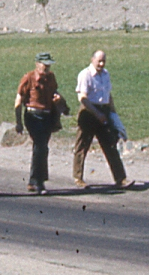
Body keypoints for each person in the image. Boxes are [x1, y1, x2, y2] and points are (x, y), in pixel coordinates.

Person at [74, 49, 132, 189]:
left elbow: (108, 94)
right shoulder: (85, 75)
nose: (101, 64)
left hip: (104, 110)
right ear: (92, 59)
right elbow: (83, 98)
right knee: (82, 145)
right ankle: (78, 178)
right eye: (99, 61)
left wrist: (112, 112)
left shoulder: (105, 75)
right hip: (89, 112)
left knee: (110, 145)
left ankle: (120, 178)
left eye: (103, 61)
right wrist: (96, 114)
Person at [15, 52, 65, 194]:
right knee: (41, 146)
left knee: (42, 148)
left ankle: (34, 181)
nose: (47, 67)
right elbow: (18, 101)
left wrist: (58, 100)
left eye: (49, 65)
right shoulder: (28, 78)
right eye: (44, 64)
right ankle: (39, 182)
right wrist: (19, 122)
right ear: (37, 64)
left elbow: (55, 92)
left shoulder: (51, 78)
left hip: (48, 116)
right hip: (33, 116)